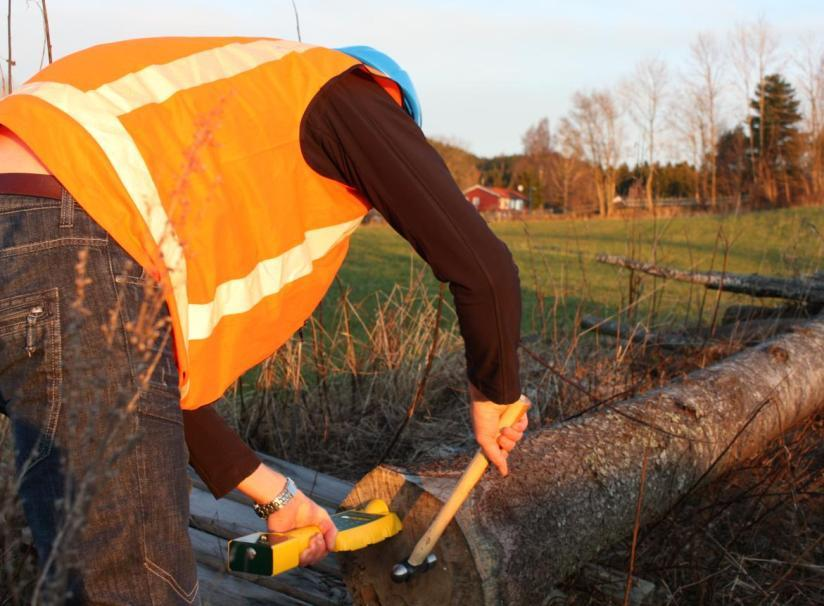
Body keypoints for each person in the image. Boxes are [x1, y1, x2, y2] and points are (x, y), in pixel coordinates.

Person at [0, 36, 527, 605]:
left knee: (85, 579)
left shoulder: (200, 138)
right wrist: (495, 392)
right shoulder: (348, 93)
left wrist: (277, 497)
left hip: (30, 235)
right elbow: (484, 267)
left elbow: (146, 379)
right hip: (57, 225)